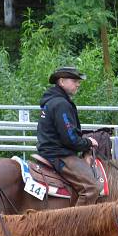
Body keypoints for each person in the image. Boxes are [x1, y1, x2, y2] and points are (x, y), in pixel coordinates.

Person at [37, 66, 100, 207]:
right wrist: (88, 143)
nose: (78, 84)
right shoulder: (61, 104)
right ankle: (76, 226)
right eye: (74, 80)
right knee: (91, 188)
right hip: (59, 155)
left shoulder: (52, 101)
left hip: (50, 151)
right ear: (62, 81)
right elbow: (70, 139)